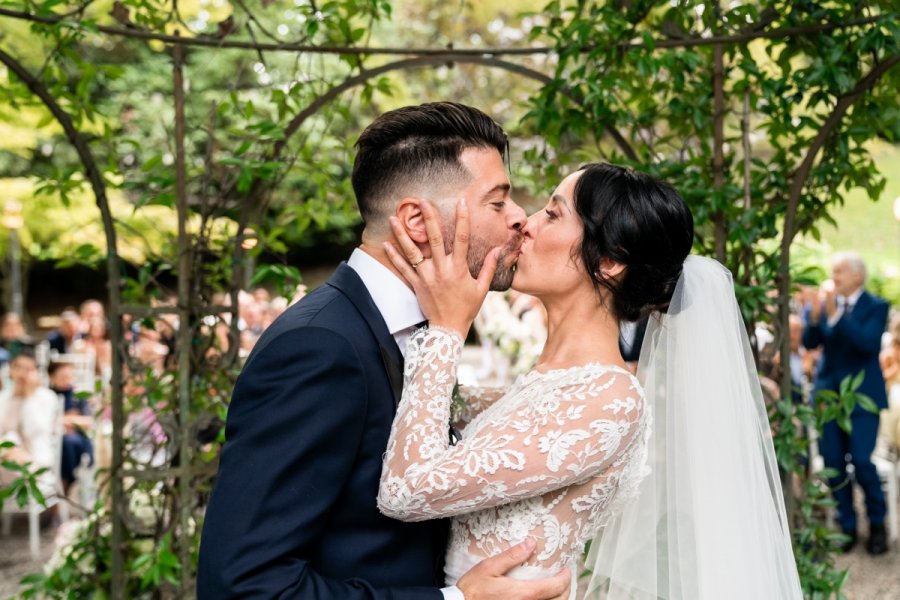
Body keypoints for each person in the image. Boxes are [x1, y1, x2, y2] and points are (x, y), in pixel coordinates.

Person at [198, 102, 570, 600]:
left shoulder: (423, 330)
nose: (521, 218)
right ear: (416, 220)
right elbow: (244, 586)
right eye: (497, 202)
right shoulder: (320, 348)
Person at [378, 163, 802, 599]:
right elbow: (432, 414)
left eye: (553, 213)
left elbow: (405, 491)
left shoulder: (609, 401)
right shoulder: (548, 383)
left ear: (609, 261)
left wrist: (448, 328)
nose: (526, 222)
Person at [802, 251, 889, 555]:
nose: (833, 277)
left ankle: (877, 523)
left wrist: (837, 316)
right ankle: (847, 526)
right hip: (827, 397)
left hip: (863, 397)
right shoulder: (825, 305)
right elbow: (810, 343)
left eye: (839, 271)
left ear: (857, 275)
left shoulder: (877, 306)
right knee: (833, 464)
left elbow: (867, 343)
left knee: (863, 462)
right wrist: (814, 317)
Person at [0, 349, 61, 501]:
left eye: (28, 369)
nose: (22, 373)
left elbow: (34, 431)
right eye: (18, 367)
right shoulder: (3, 398)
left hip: (36, 459)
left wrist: (27, 397)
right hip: (5, 460)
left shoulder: (46, 398)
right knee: (9, 439)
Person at [48, 360, 94, 494]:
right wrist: (69, 419)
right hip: (51, 438)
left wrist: (66, 420)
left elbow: (88, 422)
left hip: (76, 439)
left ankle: (65, 484)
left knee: (68, 444)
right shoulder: (47, 395)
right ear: (52, 376)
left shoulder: (78, 396)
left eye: (69, 376)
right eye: (62, 376)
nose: (66, 380)